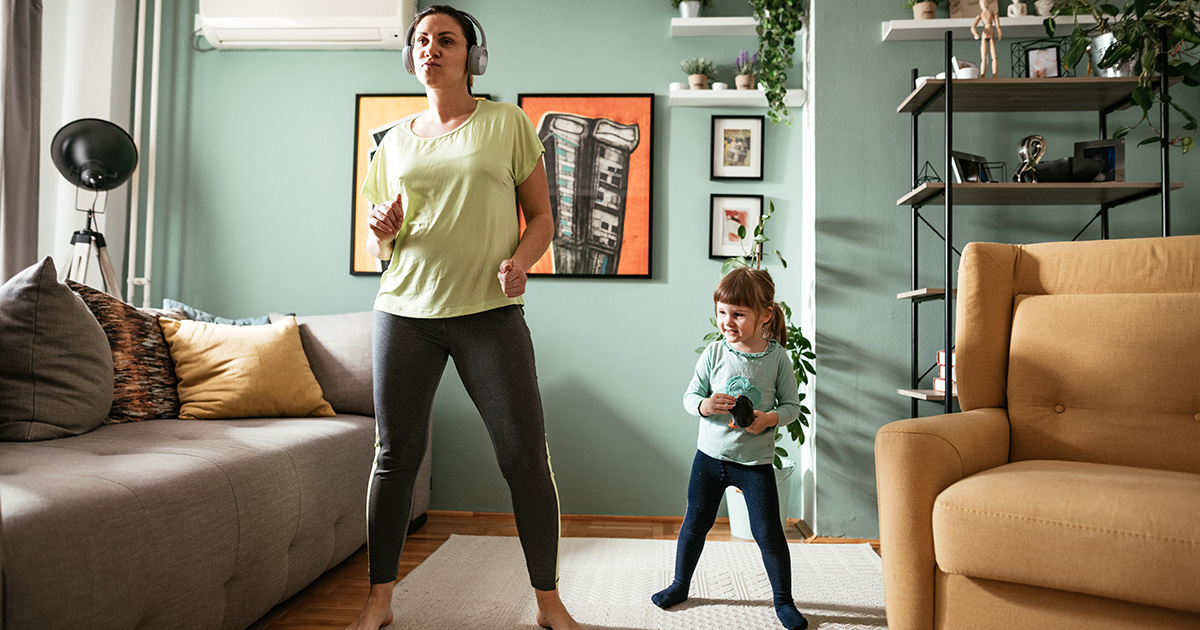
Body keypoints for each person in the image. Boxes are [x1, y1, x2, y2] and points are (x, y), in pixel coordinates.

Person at [346, 5, 581, 630]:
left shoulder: (506, 123)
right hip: (404, 313)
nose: (431, 49)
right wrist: (383, 233)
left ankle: (549, 603)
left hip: (490, 315)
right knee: (395, 455)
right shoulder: (392, 142)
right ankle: (379, 601)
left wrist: (521, 262)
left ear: (471, 56)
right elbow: (380, 246)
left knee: (524, 457)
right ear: (411, 56)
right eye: (421, 40)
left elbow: (544, 220)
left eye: (445, 40)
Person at [652, 267, 807, 630]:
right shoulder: (714, 352)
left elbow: (792, 408)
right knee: (694, 524)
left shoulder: (778, 359)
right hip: (709, 458)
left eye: (738, 314)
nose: (727, 322)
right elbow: (690, 396)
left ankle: (783, 601)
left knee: (768, 533)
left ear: (764, 314)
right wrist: (705, 406)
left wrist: (768, 419)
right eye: (722, 313)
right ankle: (679, 585)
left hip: (754, 463)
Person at [971, 0, 1002, 77]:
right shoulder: (980, 15)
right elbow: (973, 27)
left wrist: (999, 32)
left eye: (985, 2)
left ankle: (995, 75)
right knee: (984, 57)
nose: (984, 3)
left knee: (994, 56)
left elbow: (997, 25)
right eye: (982, 2)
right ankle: (983, 75)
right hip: (984, 33)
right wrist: (975, 34)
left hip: (991, 32)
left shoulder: (993, 13)